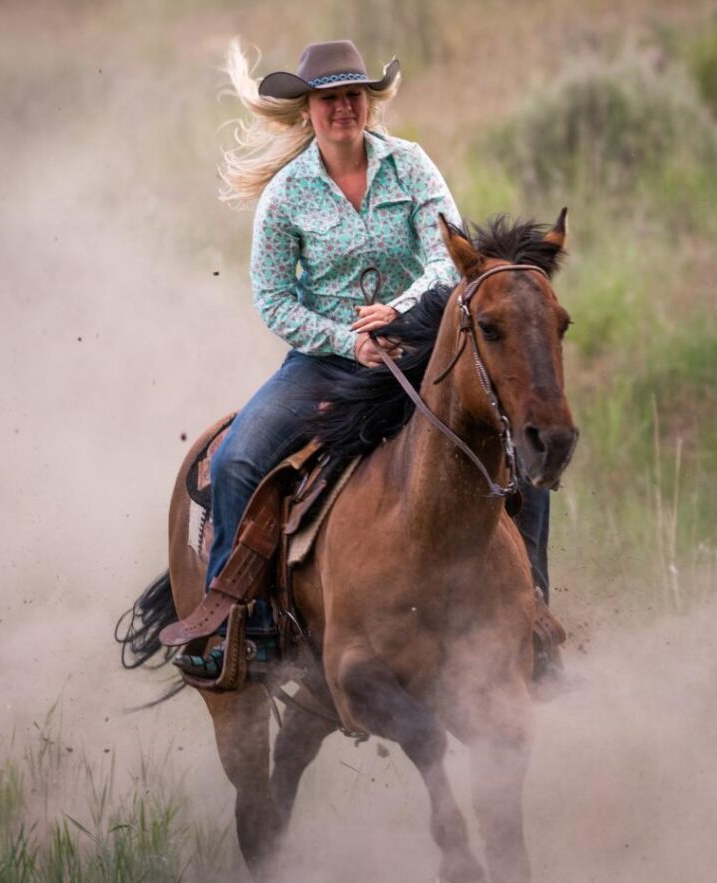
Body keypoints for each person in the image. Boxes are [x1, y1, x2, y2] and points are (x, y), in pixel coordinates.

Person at [175, 38, 552, 678]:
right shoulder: (287, 195)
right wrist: (349, 339)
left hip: (423, 349)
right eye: (329, 99)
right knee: (239, 459)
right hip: (326, 360)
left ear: (369, 103)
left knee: (518, 446)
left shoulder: (411, 167)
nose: (342, 108)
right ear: (307, 111)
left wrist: (398, 314)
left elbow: (447, 257)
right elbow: (272, 298)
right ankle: (236, 623)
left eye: (353, 95)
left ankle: (534, 610)